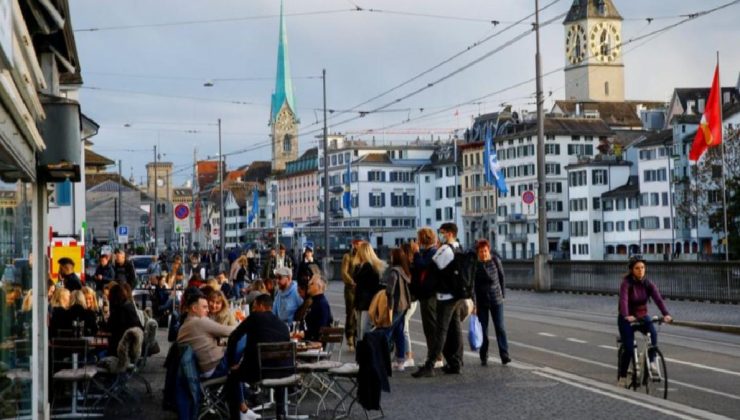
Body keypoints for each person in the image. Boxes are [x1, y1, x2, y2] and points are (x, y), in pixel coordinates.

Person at [176, 291, 256, 419]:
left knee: (236, 366)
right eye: (204, 307)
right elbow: (232, 331)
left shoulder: (185, 326)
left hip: (205, 368)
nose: (208, 310)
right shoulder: (199, 322)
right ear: (194, 308)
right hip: (215, 367)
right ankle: (243, 407)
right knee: (245, 337)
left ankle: (242, 408)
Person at [227, 294, 290, 418]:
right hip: (283, 372)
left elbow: (233, 337)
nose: (253, 310)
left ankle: (236, 416)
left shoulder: (254, 317)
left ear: (261, 306)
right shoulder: (283, 325)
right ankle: (281, 413)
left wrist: (231, 363)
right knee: (278, 372)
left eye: (254, 307)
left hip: (257, 372)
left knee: (232, 377)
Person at [413, 222, 463, 378]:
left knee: (440, 331)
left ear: (448, 234)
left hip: (445, 296)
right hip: (456, 295)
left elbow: (431, 269)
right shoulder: (459, 248)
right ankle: (456, 363)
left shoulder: (445, 249)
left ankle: (430, 365)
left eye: (441, 232)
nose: (439, 235)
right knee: (455, 330)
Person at [617, 255, 672, 388]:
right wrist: (626, 315)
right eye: (637, 268)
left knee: (653, 333)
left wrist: (666, 314)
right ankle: (623, 376)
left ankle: (652, 362)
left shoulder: (648, 284)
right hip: (627, 318)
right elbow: (623, 300)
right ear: (631, 270)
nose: (640, 270)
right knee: (629, 349)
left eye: (642, 267)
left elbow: (658, 299)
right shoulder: (626, 283)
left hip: (642, 316)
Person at [473, 239, 510, 366]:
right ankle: (484, 355)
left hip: (496, 299)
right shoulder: (475, 265)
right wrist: (474, 303)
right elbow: (473, 286)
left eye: (485, 251)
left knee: (500, 327)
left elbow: (502, 277)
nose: (483, 253)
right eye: (481, 251)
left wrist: (503, 295)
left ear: (488, 250)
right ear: (478, 252)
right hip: (482, 302)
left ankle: (504, 354)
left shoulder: (495, 261)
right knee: (483, 330)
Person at [409, 228, 441, 370]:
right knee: (428, 327)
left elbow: (422, 265)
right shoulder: (428, 252)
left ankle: (435, 357)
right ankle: (433, 356)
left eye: (418, 238)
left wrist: (415, 252)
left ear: (422, 239)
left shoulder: (432, 252)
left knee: (431, 327)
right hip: (425, 295)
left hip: (430, 295)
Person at [352, 242, 387, 342]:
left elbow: (357, 279)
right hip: (362, 302)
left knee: (363, 329)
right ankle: (362, 351)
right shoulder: (365, 266)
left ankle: (365, 351)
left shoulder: (368, 267)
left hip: (366, 302)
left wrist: (358, 266)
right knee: (360, 329)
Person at [386, 247, 412, 371]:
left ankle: (383, 359)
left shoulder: (393, 272)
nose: (390, 257)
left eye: (391, 255)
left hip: (396, 306)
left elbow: (389, 292)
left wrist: (389, 309)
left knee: (387, 332)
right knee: (399, 332)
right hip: (405, 305)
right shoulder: (404, 270)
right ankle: (400, 360)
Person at [105, 284, 143, 355]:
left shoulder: (119, 310)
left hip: (120, 347)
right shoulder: (129, 306)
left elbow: (109, 328)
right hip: (133, 345)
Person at [399, 242, 418, 368]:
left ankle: (409, 355)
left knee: (404, 327)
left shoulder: (408, 267)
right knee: (403, 326)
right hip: (412, 300)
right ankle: (405, 354)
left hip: (409, 300)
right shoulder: (412, 265)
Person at [341, 240, 361, 351]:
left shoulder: (363, 255)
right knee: (350, 313)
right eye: (357, 243)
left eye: (361, 243)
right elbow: (344, 272)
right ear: (353, 244)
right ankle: (350, 336)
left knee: (360, 313)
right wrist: (351, 281)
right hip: (350, 288)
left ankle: (358, 336)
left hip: (361, 289)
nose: (359, 245)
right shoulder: (348, 256)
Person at [303, 275, 333, 342]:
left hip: (315, 342)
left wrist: (303, 334)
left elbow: (321, 328)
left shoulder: (321, 304)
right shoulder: (316, 301)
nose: (308, 284)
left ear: (319, 287)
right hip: (310, 339)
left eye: (312, 283)